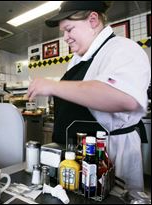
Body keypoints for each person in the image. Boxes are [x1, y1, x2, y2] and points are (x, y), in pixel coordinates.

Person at [27, 1, 150, 191]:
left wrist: (53, 86)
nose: (65, 38)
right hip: (79, 157)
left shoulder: (123, 49)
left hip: (110, 156)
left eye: (69, 29)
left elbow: (123, 97)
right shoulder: (77, 60)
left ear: (93, 20)